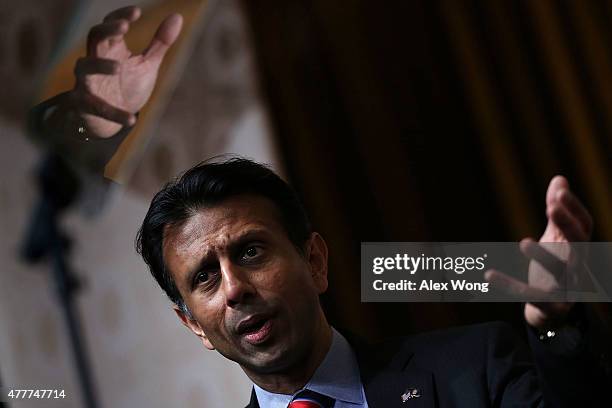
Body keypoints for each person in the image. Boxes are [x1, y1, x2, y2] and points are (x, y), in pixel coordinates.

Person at [31, 6, 609, 407]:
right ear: (194, 327)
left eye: (251, 251)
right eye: (205, 278)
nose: (234, 288)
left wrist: (556, 327)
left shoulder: (475, 365)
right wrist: (87, 126)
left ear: (315, 260)